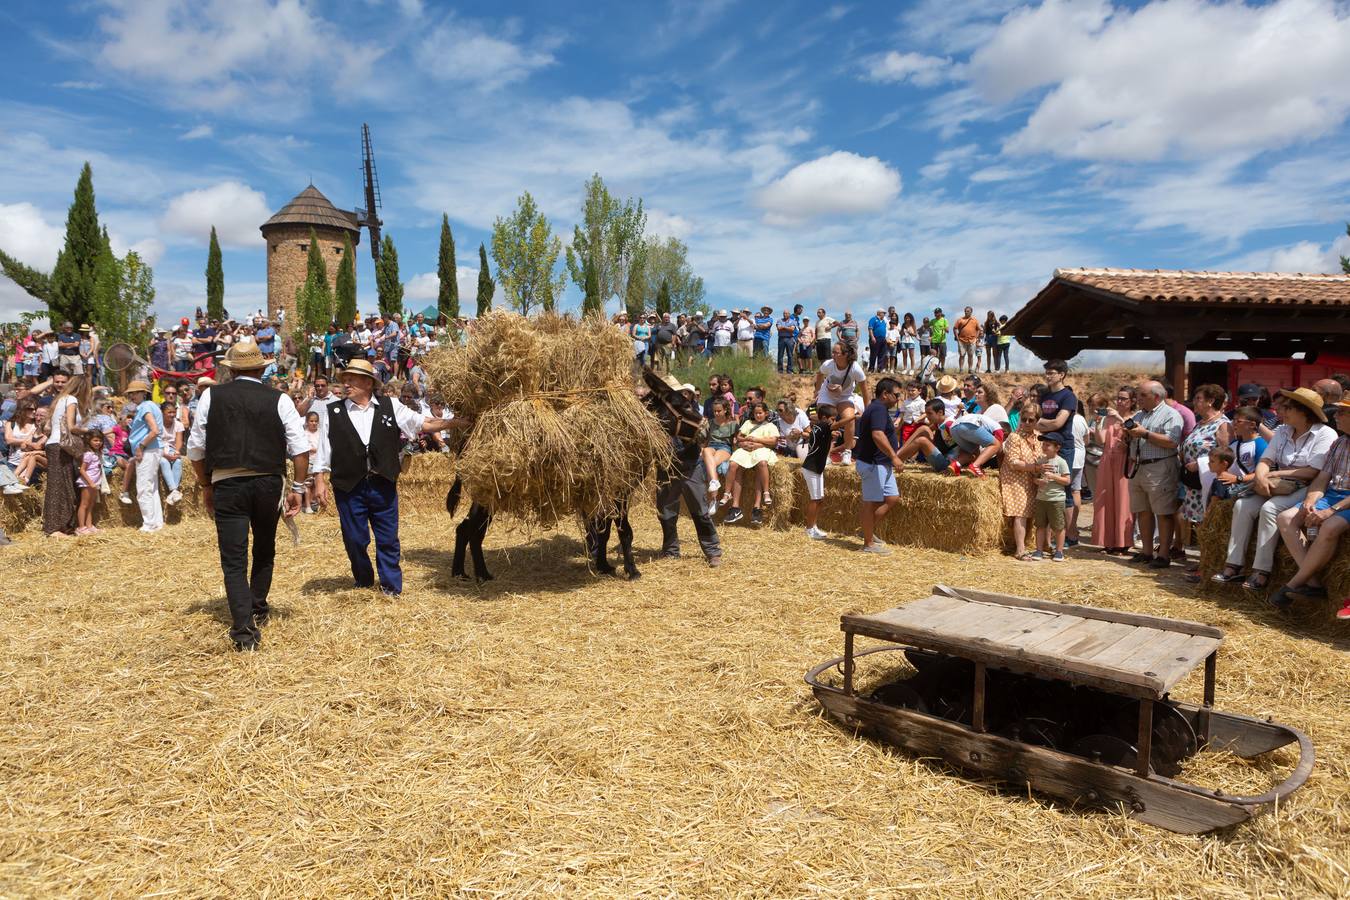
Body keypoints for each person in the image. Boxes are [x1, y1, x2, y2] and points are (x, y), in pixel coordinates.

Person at [187, 341, 311, 652]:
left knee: (233, 559)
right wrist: (297, 489)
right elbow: (300, 449)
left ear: (230, 369)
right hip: (268, 482)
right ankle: (257, 607)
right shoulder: (279, 398)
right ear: (262, 368)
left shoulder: (210, 396)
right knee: (265, 548)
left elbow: (195, 450)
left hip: (228, 483)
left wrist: (205, 486)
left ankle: (244, 630)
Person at [313, 359, 457, 597]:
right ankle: (363, 579)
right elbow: (324, 448)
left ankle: (391, 588)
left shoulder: (390, 405)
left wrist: (457, 423)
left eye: (352, 379)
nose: (346, 384)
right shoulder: (333, 411)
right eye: (345, 379)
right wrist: (319, 479)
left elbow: (425, 423)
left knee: (388, 538)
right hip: (349, 486)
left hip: (383, 483)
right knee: (355, 539)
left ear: (368, 383)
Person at [1212, 388, 1336, 592]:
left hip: (1307, 487)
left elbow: (1313, 471)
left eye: (1287, 407)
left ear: (1304, 411)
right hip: (1277, 484)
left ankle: (1262, 571)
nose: (1280, 411)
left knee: (1270, 509)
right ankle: (1233, 565)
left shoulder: (1325, 434)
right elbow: (1266, 460)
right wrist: (1261, 476)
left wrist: (1270, 475)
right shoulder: (1283, 431)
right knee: (1242, 505)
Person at [1270, 410, 1350, 610]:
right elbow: (1322, 479)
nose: (1337, 416)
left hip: (1346, 501)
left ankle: (1294, 583)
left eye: (1343, 413)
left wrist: (1331, 510)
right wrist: (1310, 500)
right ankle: (1313, 582)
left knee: (1330, 527)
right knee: (1285, 518)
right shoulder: (1339, 443)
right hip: (1332, 495)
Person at [653, 380, 722, 567]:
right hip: (667, 469)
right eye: (680, 393)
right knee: (666, 512)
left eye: (687, 393)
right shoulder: (659, 415)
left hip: (690, 466)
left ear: (691, 396)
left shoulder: (695, 415)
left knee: (701, 512)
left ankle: (713, 551)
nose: (684, 395)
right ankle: (670, 550)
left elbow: (704, 437)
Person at [1122, 380, 1183, 569]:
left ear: (1156, 397)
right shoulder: (1140, 414)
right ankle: (1146, 552)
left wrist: (1145, 434)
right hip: (1139, 467)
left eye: (1142, 395)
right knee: (1143, 511)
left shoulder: (1171, 415)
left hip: (1160, 468)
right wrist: (1128, 435)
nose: (1137, 399)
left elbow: (1172, 441)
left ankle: (1163, 555)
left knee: (1163, 512)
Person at [854, 377, 904, 554]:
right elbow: (877, 435)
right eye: (896, 395)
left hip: (882, 464)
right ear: (885, 394)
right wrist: (894, 456)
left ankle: (867, 531)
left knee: (892, 498)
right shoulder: (878, 410)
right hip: (874, 464)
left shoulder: (877, 409)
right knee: (871, 502)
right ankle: (868, 544)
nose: (898, 399)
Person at [1177, 385, 1231, 547]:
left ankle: (1206, 562)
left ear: (1211, 401)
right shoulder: (1200, 423)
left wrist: (1200, 465)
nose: (1194, 402)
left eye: (1198, 398)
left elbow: (1226, 453)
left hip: (1209, 482)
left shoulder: (1222, 425)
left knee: (1208, 520)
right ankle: (1202, 561)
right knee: (1198, 521)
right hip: (1194, 482)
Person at [42, 373, 90, 538]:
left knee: (62, 486)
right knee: (57, 488)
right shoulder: (72, 400)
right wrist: (88, 431)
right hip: (59, 447)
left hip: (55, 444)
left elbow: (47, 428)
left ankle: (61, 526)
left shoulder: (60, 400)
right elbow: (71, 426)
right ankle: (52, 529)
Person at [1091, 386, 1136, 555]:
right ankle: (1107, 541)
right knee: (1104, 499)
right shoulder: (1109, 418)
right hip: (1107, 459)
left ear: (1132, 401)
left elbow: (1132, 430)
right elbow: (1101, 439)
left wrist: (1118, 417)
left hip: (1124, 461)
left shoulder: (1134, 417)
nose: (1119, 401)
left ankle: (1123, 542)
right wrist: (1097, 422)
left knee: (1123, 501)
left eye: (1123, 399)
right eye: (1118, 398)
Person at [721, 402, 779, 526]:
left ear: (766, 413)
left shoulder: (770, 425)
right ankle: (728, 495)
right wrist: (744, 442)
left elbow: (774, 441)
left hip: (761, 450)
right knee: (733, 464)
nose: (758, 415)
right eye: (756, 413)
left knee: (761, 463)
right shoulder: (748, 423)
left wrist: (757, 441)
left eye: (760, 413)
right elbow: (739, 437)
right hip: (747, 449)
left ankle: (764, 495)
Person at [814, 343, 869, 465]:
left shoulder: (855, 368)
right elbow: (819, 374)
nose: (832, 355)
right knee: (826, 421)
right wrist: (817, 390)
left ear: (845, 354)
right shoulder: (828, 364)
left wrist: (868, 411)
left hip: (845, 395)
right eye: (832, 352)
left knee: (850, 419)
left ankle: (847, 452)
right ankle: (825, 454)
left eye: (836, 352)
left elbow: (865, 391)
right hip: (827, 394)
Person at [1000, 400, 1042, 560]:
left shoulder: (1039, 437)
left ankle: (1043, 545)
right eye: (1023, 419)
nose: (1026, 423)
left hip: (1033, 479)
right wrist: (1036, 468)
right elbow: (1013, 462)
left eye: (1031, 420)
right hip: (1015, 480)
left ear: (1037, 420)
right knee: (1020, 512)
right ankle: (1020, 550)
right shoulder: (1014, 437)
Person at [125, 380, 164, 533]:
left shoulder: (145, 407)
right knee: (151, 487)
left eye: (135, 392)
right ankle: (156, 522)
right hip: (154, 449)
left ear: (144, 393)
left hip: (148, 450)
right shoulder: (152, 406)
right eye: (131, 393)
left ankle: (148, 524)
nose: (132, 395)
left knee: (143, 488)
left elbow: (154, 430)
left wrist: (141, 446)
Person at [1030, 433, 1071, 561]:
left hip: (1056, 500)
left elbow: (1067, 480)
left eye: (1048, 445)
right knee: (1040, 526)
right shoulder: (1041, 461)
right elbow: (1034, 478)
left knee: (1058, 526)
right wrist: (1038, 482)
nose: (1044, 447)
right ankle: (1039, 550)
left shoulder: (1061, 462)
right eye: (1043, 444)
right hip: (1041, 499)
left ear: (1057, 448)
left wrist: (1053, 477)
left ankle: (1059, 551)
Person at [800, 403, 836, 540]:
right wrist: (852, 417)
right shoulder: (822, 425)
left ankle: (813, 526)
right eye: (833, 419)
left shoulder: (820, 427)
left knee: (819, 499)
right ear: (825, 418)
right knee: (815, 499)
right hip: (811, 468)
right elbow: (836, 425)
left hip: (816, 467)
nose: (834, 422)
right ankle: (809, 529)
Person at [75, 431, 104, 535]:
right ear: (89, 441)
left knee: (91, 505)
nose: (98, 443)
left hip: (94, 483)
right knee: (84, 504)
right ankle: (81, 527)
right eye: (95, 440)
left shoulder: (97, 454)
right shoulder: (88, 455)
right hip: (88, 483)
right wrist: (91, 482)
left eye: (100, 440)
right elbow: (82, 470)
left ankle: (89, 525)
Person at [159, 401, 186, 506]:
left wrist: (177, 451)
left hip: (172, 449)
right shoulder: (157, 424)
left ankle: (173, 493)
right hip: (159, 450)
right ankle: (174, 490)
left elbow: (179, 441)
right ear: (162, 412)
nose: (172, 414)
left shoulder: (178, 424)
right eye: (169, 412)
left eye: (174, 412)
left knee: (178, 462)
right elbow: (156, 444)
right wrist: (164, 454)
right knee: (163, 462)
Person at [953, 306, 978, 373]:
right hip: (961, 340)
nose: (966, 312)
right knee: (962, 355)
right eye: (965, 311)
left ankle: (970, 369)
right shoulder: (960, 319)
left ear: (971, 312)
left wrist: (976, 337)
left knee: (970, 355)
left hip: (972, 340)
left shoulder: (975, 320)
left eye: (968, 311)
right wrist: (957, 337)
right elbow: (955, 328)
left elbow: (978, 329)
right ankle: (961, 369)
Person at [776, 309, 798, 374]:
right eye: (784, 313)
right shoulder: (779, 320)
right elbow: (778, 328)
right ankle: (780, 370)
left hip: (790, 339)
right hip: (781, 338)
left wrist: (783, 327)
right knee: (780, 355)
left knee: (790, 355)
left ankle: (789, 370)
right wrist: (787, 327)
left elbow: (792, 329)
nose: (785, 315)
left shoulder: (793, 321)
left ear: (789, 314)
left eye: (786, 313)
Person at [866, 308, 888, 373]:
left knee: (882, 354)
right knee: (873, 354)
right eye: (883, 313)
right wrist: (872, 337)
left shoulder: (884, 321)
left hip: (883, 339)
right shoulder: (873, 319)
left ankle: (880, 368)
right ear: (879, 313)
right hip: (875, 338)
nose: (884, 314)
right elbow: (870, 329)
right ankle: (871, 369)